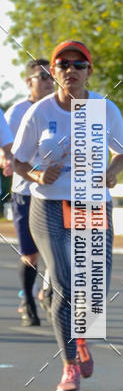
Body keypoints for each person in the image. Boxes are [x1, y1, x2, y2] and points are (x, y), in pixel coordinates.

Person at [12, 40, 123, 391]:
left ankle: (81, 336)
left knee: (94, 289)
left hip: (91, 204)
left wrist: (112, 172)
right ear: (54, 71)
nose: (71, 71)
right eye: (63, 65)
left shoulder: (103, 109)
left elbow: (121, 152)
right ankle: (69, 367)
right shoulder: (41, 112)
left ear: (89, 71)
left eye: (79, 65)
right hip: (48, 204)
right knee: (64, 282)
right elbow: (16, 160)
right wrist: (35, 175)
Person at [5, 58, 55, 326]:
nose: (49, 82)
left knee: (59, 250)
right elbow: (6, 147)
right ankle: (27, 301)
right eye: (43, 77)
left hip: (55, 192)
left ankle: (48, 292)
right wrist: (5, 160)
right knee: (31, 255)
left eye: (51, 77)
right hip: (25, 191)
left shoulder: (61, 108)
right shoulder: (16, 112)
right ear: (29, 82)